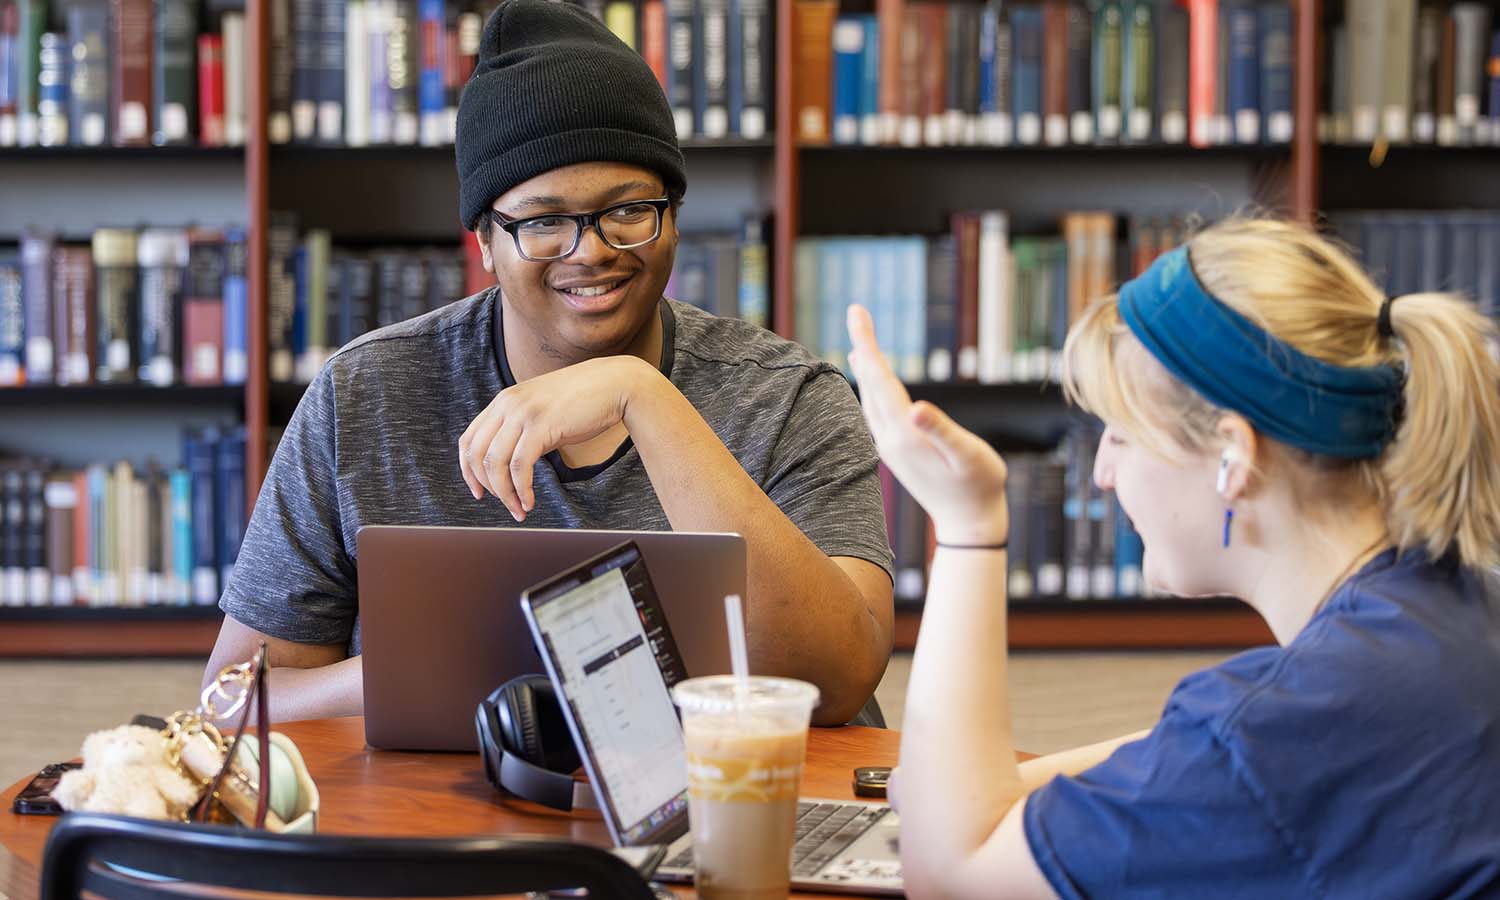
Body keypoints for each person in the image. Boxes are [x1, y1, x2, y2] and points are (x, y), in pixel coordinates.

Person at [204, 0, 894, 726]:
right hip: (450, 823)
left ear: (674, 215)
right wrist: (438, 672)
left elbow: (838, 682)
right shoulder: (365, 395)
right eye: (542, 222)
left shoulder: (787, 398)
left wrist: (643, 399)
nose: (590, 249)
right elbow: (228, 706)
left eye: (628, 210)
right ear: (484, 241)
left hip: (727, 813)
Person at [848, 217, 1500, 898]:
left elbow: (950, 875)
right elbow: (1199, 748)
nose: (1101, 472)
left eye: (1120, 435)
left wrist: (966, 523)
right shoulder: (1447, 601)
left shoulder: (1272, 732)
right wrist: (996, 784)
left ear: (1232, 456)